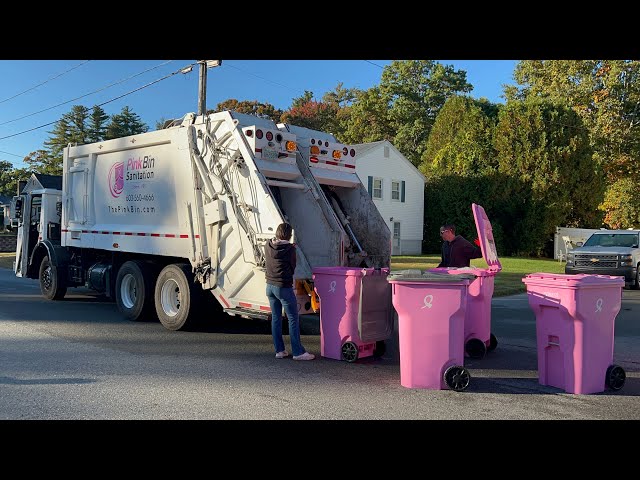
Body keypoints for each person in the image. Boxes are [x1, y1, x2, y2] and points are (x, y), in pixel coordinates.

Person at [264, 222, 315, 361]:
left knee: (276, 318)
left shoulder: (268, 245)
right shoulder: (290, 249)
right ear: (289, 235)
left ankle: (279, 350)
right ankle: (298, 352)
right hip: (283, 287)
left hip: (269, 286)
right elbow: (292, 268)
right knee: (293, 318)